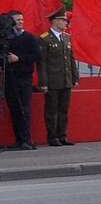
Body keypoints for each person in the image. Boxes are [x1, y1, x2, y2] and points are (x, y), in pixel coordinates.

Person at [35, 9, 78, 146]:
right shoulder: (45, 38)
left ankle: (62, 135)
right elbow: (42, 63)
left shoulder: (66, 37)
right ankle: (52, 137)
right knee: (52, 111)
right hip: (52, 81)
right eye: (63, 20)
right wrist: (44, 83)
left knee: (64, 110)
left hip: (66, 80)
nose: (65, 23)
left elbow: (71, 59)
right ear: (55, 21)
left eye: (65, 20)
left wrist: (75, 77)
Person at [2, 11, 40, 149]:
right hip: (9, 78)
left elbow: (36, 56)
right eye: (17, 20)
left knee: (25, 109)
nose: (20, 22)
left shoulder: (29, 38)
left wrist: (18, 58)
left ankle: (26, 140)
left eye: (22, 19)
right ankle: (19, 140)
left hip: (24, 79)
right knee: (14, 109)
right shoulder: (6, 38)